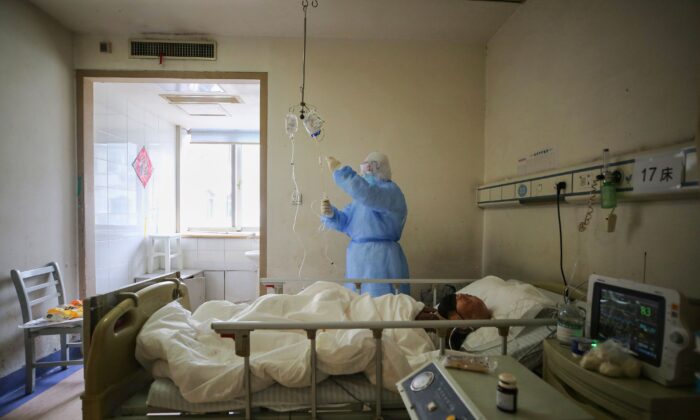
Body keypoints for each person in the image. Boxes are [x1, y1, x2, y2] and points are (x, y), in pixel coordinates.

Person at [321, 152, 409, 297]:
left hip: (382, 258)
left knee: (382, 305)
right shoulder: (361, 200)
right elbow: (346, 221)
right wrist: (332, 215)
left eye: (371, 166)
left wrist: (341, 171)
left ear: (382, 168)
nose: (366, 170)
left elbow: (368, 194)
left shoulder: (390, 192)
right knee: (357, 305)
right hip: (356, 259)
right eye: (365, 166)